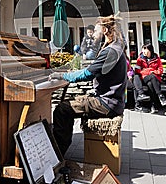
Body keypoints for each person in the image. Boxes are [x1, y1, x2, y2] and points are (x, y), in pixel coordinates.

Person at [49, 15, 127, 156]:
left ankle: (58, 154)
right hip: (114, 101)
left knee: (62, 110)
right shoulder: (116, 47)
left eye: (96, 31)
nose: (93, 35)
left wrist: (62, 75)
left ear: (104, 30)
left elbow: (87, 74)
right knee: (72, 103)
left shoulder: (109, 51)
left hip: (106, 103)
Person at [134, 43, 166, 113]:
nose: (144, 53)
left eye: (145, 51)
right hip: (144, 77)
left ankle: (152, 105)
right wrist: (149, 71)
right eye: (143, 51)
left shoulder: (156, 58)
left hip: (155, 79)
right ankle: (160, 95)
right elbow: (137, 71)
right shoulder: (140, 59)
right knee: (151, 77)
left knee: (150, 83)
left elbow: (160, 70)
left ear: (150, 51)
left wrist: (154, 72)